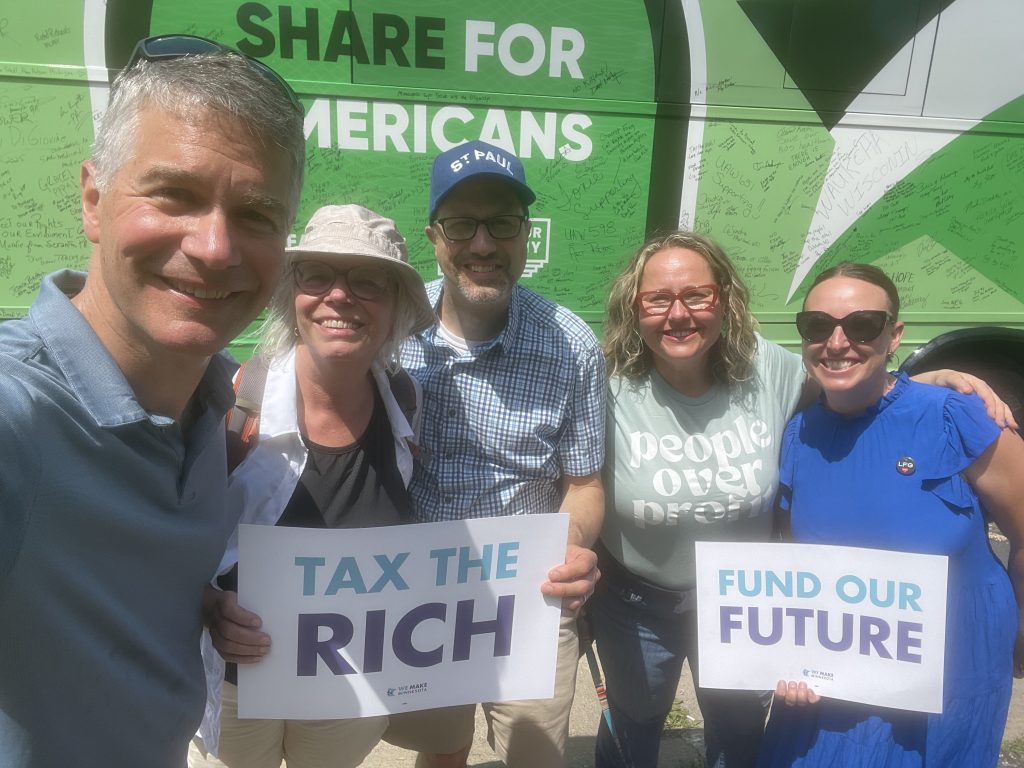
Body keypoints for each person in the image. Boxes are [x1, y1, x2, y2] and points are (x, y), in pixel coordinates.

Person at [591, 232, 1017, 768]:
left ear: (724, 299)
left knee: (740, 735)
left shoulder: (770, 369)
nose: (679, 313)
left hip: (743, 605)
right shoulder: (600, 379)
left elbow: (855, 382)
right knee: (633, 729)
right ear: (634, 306)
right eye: (658, 298)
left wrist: (923, 381)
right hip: (638, 603)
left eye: (697, 295)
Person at [0, 35, 304, 768]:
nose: (215, 246)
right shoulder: (17, 417)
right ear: (94, 199)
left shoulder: (210, 400)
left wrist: (183, 603)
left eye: (257, 214)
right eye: (176, 195)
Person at [382, 140, 607, 768]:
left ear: (525, 235)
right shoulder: (391, 330)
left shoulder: (570, 344)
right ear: (434, 237)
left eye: (502, 224)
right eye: (462, 225)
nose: (483, 245)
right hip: (420, 589)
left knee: (535, 757)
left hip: (528, 591)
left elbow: (585, 482)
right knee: (442, 749)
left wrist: (574, 546)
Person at [190, 204, 435, 768]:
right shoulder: (230, 401)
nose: (339, 296)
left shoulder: (407, 399)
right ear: (292, 293)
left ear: (395, 303)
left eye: (367, 280)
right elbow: (165, 537)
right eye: (316, 274)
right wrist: (207, 606)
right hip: (237, 683)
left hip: (350, 682)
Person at [757, 262, 1024, 767]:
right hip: (840, 663)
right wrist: (788, 659)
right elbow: (795, 567)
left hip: (955, 660)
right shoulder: (799, 435)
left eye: (861, 325)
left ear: (893, 335)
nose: (836, 342)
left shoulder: (955, 415)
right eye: (817, 326)